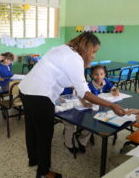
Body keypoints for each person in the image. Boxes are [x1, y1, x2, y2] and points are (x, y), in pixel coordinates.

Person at [19, 32, 126, 178]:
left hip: (25, 90)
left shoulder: (62, 48)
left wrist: (79, 89)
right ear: (87, 48)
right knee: (44, 135)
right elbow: (86, 93)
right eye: (93, 52)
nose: (93, 56)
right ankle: (43, 172)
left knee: (32, 129)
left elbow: (68, 78)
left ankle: (33, 160)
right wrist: (111, 105)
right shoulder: (75, 59)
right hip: (40, 96)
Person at [64, 65, 120, 154]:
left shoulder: (84, 81)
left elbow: (81, 93)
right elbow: (82, 94)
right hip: (67, 105)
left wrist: (115, 90)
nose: (99, 76)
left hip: (90, 107)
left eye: (101, 74)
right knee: (69, 124)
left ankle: (82, 140)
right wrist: (82, 100)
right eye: (96, 74)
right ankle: (68, 144)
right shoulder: (88, 85)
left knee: (92, 123)